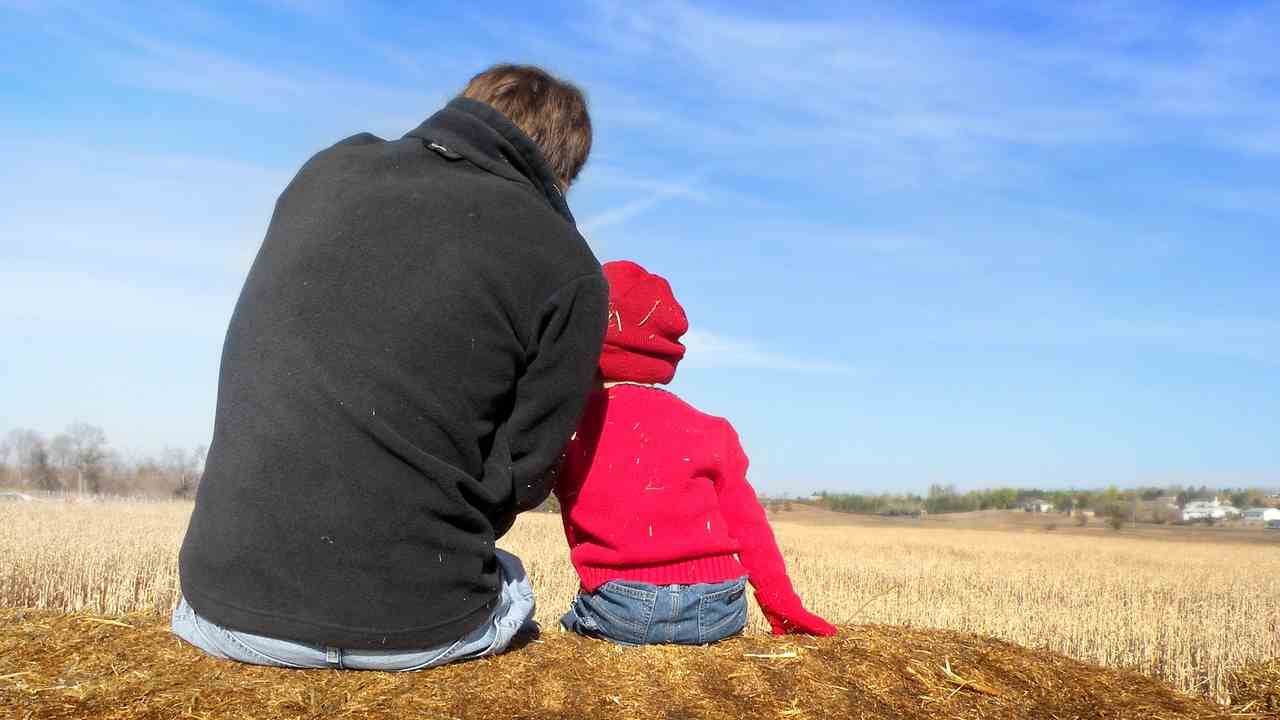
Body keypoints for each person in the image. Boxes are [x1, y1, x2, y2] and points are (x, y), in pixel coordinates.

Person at [172, 64, 608, 670]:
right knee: (512, 580)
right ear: (563, 171)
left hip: (216, 609)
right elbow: (524, 475)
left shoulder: (327, 170)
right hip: (415, 626)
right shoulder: (570, 265)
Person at [554, 260, 837, 645]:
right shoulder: (712, 430)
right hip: (721, 605)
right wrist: (783, 605)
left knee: (562, 626)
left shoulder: (571, 427)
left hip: (623, 605)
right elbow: (749, 526)